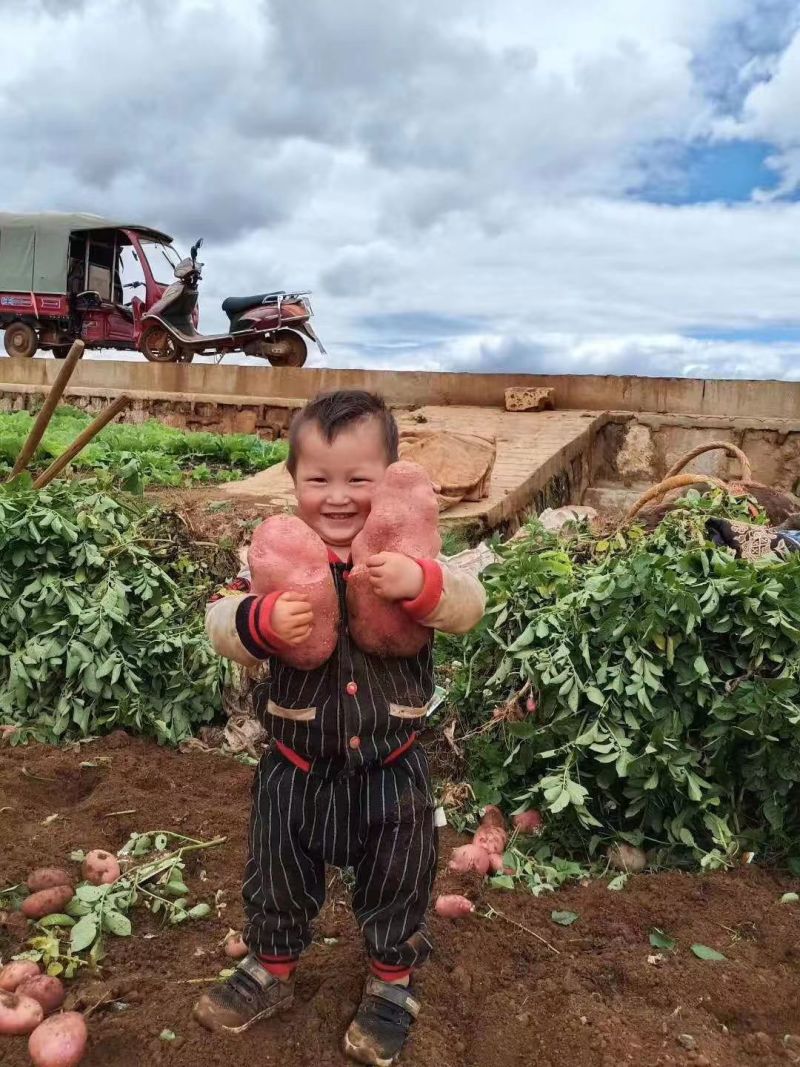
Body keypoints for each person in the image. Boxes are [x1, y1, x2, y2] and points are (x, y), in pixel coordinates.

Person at [194, 390, 485, 1066]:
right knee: (277, 871)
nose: (337, 496)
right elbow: (218, 620)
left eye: (359, 479)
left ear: (388, 479)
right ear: (293, 482)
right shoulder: (270, 558)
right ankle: (270, 965)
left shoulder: (413, 553)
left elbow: (470, 604)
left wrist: (420, 582)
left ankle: (391, 983)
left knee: (399, 877)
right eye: (318, 478)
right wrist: (257, 621)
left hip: (393, 768)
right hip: (295, 766)